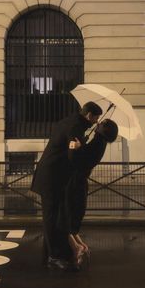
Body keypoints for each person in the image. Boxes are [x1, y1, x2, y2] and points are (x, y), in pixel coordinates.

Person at [30, 101, 102, 270]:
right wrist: (82, 146)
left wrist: (81, 140)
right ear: (89, 115)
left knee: (53, 216)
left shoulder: (70, 122)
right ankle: (54, 257)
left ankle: (50, 253)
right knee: (51, 217)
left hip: (51, 174)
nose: (96, 122)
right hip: (52, 178)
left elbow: (67, 144)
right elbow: (73, 155)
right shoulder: (75, 127)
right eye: (96, 118)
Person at [61, 118, 119, 269]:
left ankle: (77, 249)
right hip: (79, 184)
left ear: (104, 130)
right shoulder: (99, 142)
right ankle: (81, 247)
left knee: (64, 217)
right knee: (72, 220)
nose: (98, 123)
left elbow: (79, 160)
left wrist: (77, 147)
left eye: (102, 123)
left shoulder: (98, 143)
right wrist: (83, 145)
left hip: (75, 184)